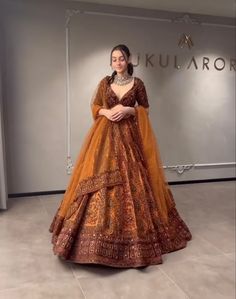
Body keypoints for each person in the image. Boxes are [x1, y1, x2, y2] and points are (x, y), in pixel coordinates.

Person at [49, 44, 192, 268]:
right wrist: (105, 111)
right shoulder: (104, 83)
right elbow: (95, 105)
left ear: (128, 60)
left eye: (121, 58)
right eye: (114, 59)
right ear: (111, 62)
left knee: (135, 180)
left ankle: (135, 241)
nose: (118, 62)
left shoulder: (138, 84)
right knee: (96, 178)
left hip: (129, 136)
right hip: (104, 135)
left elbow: (145, 108)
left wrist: (129, 110)